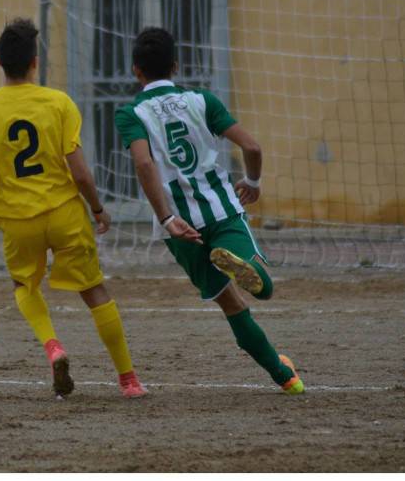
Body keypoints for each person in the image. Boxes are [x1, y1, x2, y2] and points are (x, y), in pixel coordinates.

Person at [114, 27, 305, 395]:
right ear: (175, 65)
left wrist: (167, 218)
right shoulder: (202, 100)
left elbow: (144, 165)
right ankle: (251, 270)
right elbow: (252, 146)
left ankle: (286, 378)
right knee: (260, 286)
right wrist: (252, 181)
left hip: (180, 226)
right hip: (220, 209)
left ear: (136, 70)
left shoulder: (131, 113)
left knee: (230, 304)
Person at [0, 18, 146, 399]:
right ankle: (129, 380)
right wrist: (97, 208)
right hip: (64, 212)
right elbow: (79, 172)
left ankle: (53, 346)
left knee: (23, 285)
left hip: (17, 218)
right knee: (95, 290)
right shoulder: (58, 102)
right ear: (35, 62)